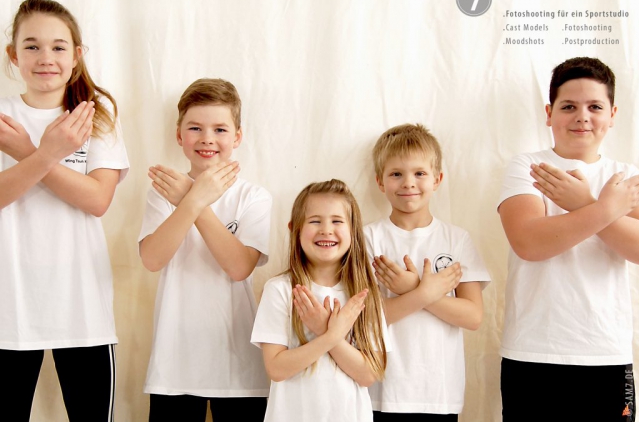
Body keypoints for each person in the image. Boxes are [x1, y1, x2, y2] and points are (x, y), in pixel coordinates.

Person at [0, 0, 129, 421]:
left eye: (58, 47)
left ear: (76, 55)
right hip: (9, 307)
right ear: (13, 55)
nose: (45, 58)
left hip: (81, 304)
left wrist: (28, 153)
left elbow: (97, 200)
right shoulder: (3, 118)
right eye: (32, 46)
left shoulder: (96, 117)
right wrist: (43, 155)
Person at [498, 57, 639, 422]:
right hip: (533, 352)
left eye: (595, 106)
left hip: (606, 353)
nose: (582, 116)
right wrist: (606, 210)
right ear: (549, 113)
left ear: (612, 114)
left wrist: (584, 204)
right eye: (568, 106)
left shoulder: (627, 176)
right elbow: (529, 243)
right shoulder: (526, 167)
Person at [139, 78, 271, 421]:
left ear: (237, 136)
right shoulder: (163, 192)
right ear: (179, 135)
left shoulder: (253, 197)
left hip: (239, 367)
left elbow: (239, 267)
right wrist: (193, 197)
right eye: (195, 127)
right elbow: (152, 259)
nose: (207, 138)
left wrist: (193, 200)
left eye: (220, 129)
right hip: (174, 367)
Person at [365, 124, 490, 421]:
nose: (409, 183)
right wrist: (424, 292)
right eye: (396, 174)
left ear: (437, 179)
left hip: (439, 393)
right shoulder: (367, 239)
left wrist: (414, 289)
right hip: (381, 392)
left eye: (420, 173)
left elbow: (473, 317)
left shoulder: (456, 239)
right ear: (380, 182)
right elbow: (366, 317)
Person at [251, 179, 388, 422]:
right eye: (315, 221)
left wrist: (325, 332)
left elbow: (368, 375)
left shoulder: (364, 295)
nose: (326, 230)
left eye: (337, 221)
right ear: (295, 229)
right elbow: (277, 369)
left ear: (353, 231)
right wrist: (331, 335)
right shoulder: (281, 290)